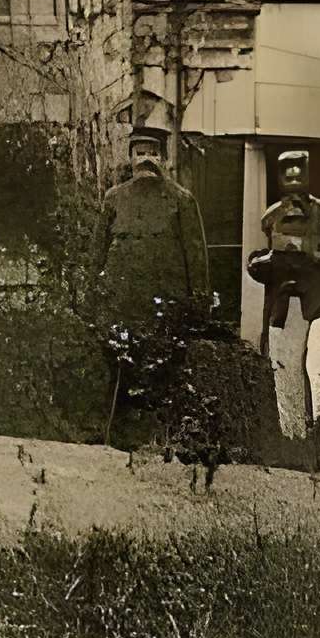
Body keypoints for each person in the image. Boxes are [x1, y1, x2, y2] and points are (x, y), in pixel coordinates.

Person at [91, 122, 215, 447]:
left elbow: (196, 256)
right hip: (122, 305)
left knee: (164, 377)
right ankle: (117, 440)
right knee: (121, 373)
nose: (145, 160)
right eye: (139, 153)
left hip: (166, 309)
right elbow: (96, 254)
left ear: (164, 159)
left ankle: (164, 439)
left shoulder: (182, 201)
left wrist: (199, 303)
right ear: (130, 158)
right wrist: (92, 293)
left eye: (153, 153)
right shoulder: (113, 199)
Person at [245, 148, 320, 445]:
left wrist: (312, 254)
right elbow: (258, 260)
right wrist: (265, 261)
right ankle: (291, 436)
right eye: (287, 172)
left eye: (298, 171)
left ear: (308, 174)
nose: (293, 178)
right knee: (283, 367)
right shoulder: (271, 217)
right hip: (285, 302)